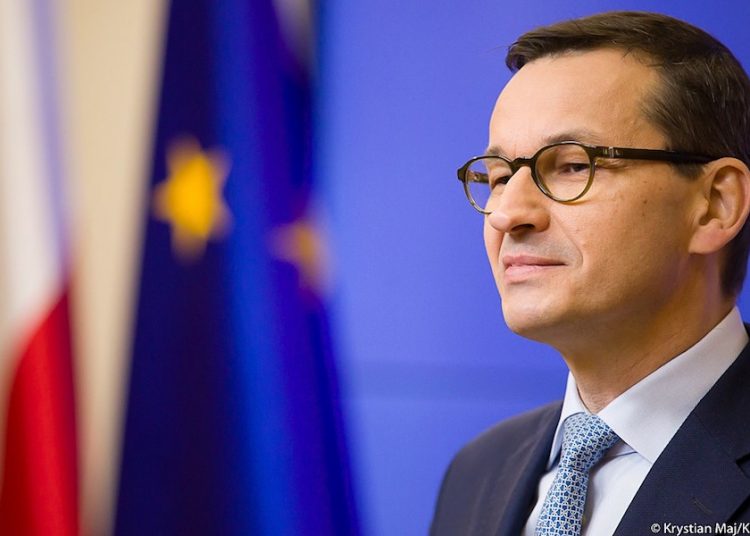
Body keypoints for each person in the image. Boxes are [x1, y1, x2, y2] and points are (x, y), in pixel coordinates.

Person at [431, 11, 750, 536]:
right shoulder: (477, 473)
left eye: (573, 166)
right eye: (500, 177)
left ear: (716, 204)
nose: (508, 214)